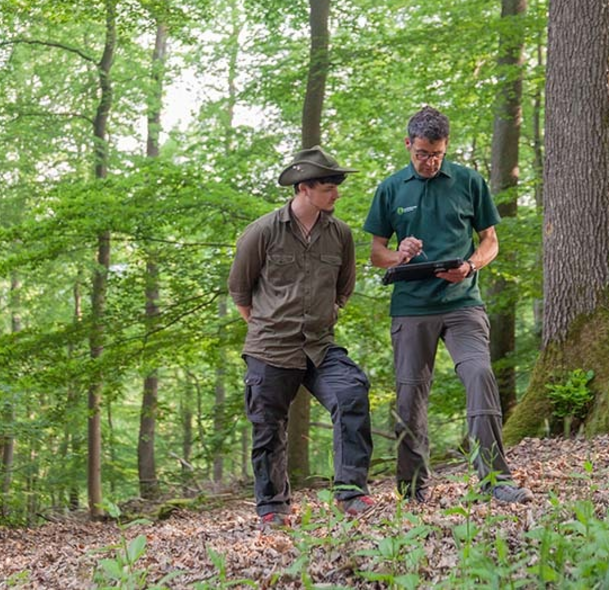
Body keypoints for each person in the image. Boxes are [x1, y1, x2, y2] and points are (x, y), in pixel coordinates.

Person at [363, 106, 532, 504]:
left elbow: (491, 240)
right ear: (408, 145)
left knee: (479, 375)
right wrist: (399, 253)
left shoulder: (469, 182)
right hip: (411, 307)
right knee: (409, 397)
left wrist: (471, 264)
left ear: (446, 147)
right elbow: (375, 254)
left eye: (436, 154)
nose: (429, 161)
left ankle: (495, 480)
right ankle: (413, 491)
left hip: (462, 304)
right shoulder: (391, 189)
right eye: (422, 153)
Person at [228, 145, 375, 529]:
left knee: (351, 392)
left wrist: (328, 315)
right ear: (304, 188)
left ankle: (351, 492)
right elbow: (241, 292)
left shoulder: (340, 234)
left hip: (320, 346)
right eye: (330, 186)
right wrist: (269, 326)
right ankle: (273, 506)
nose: (337, 193)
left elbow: (344, 289)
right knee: (268, 423)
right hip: (271, 348)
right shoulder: (262, 232)